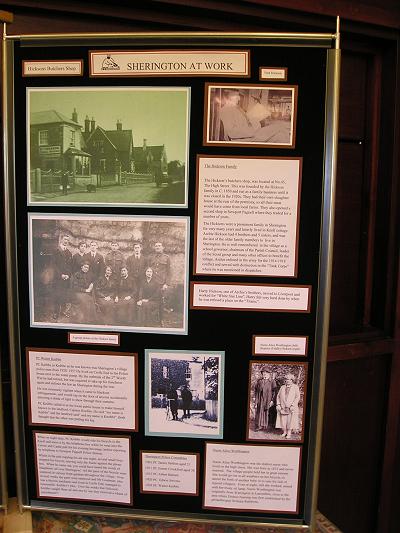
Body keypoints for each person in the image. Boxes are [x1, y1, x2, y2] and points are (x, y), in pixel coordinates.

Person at [148, 241, 171, 325]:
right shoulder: (151, 257)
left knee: (161, 301)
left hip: (161, 283)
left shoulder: (166, 258)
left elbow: (169, 272)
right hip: (152, 282)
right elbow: (149, 269)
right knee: (151, 299)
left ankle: (161, 319)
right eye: (156, 246)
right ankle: (151, 317)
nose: (157, 247)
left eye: (159, 246)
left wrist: (166, 283)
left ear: (163, 247)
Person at [51, 234, 73, 320]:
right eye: (65, 239)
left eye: (67, 240)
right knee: (57, 295)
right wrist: (61, 275)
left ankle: (63, 311)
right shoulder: (55, 251)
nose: (66, 241)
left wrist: (68, 275)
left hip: (66, 278)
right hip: (58, 278)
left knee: (64, 295)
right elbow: (53, 265)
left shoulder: (69, 252)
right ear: (61, 239)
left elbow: (70, 266)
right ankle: (56, 312)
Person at [275, 373, 300, 439]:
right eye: (286, 379)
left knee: (290, 420)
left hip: (291, 407)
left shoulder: (295, 387)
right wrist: (278, 404)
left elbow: (297, 397)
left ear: (292, 380)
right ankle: (284, 432)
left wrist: (293, 405)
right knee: (283, 420)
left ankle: (289, 433)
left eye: (289, 379)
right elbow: (278, 396)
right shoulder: (282, 387)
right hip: (283, 406)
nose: (287, 381)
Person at [254, 367, 276, 432]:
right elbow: (256, 391)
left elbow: (274, 392)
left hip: (268, 399)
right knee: (259, 412)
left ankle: (266, 426)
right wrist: (256, 400)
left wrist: (272, 400)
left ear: (269, 374)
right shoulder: (259, 381)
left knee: (267, 412)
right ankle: (259, 426)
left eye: (266, 372)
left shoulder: (272, 381)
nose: (265, 374)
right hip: (260, 399)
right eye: (263, 372)